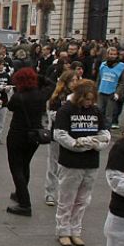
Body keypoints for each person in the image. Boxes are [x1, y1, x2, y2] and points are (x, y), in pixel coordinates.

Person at [52, 79, 110, 246]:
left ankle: (75, 230)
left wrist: (97, 143)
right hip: (71, 161)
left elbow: (104, 132)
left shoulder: (96, 111)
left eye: (91, 99)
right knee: (67, 198)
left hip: (91, 161)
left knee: (83, 199)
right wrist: (76, 144)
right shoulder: (66, 110)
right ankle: (63, 230)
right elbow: (60, 134)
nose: (88, 102)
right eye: (85, 99)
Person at [6, 68, 53, 217]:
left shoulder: (18, 97)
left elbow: (10, 107)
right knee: (25, 165)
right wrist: (39, 77)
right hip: (34, 135)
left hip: (17, 134)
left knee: (16, 168)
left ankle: (25, 204)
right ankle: (21, 193)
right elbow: (52, 84)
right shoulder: (41, 95)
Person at [45, 70, 78, 206]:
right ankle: (50, 193)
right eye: (72, 80)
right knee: (53, 165)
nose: (75, 83)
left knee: (69, 167)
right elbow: (52, 115)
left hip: (73, 136)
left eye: (77, 80)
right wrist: (66, 114)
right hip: (57, 135)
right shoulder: (58, 97)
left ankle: (67, 194)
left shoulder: (78, 97)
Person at [97, 47, 124, 129]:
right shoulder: (103, 65)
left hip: (112, 93)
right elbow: (99, 79)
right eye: (111, 54)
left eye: (114, 54)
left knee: (108, 115)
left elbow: (122, 82)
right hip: (101, 91)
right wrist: (96, 90)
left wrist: (117, 93)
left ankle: (107, 131)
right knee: (99, 111)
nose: (112, 56)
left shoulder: (121, 66)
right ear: (107, 54)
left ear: (117, 55)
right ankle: (99, 128)